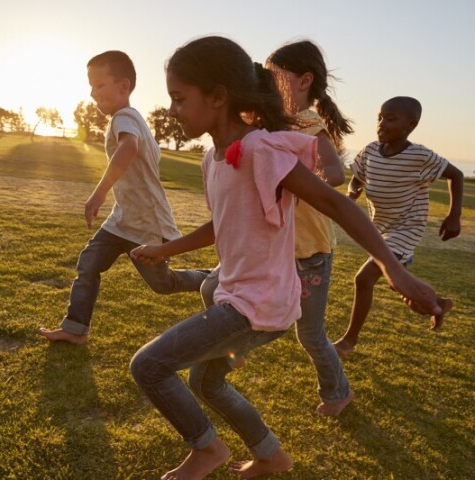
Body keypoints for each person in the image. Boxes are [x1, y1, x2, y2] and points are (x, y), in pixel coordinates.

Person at [128, 36, 445, 479]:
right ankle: (271, 456)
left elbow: (337, 203)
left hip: (259, 303)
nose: (173, 109)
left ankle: (206, 450)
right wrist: (165, 249)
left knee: (148, 365)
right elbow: (221, 225)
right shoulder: (212, 160)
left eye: (180, 98)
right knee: (205, 381)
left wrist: (394, 271)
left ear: (218, 96)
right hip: (237, 295)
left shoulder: (262, 149)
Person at [200, 39, 356, 417]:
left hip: (308, 250)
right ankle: (233, 351)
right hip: (271, 247)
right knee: (212, 287)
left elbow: (334, 173)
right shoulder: (265, 123)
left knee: (310, 334)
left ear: (304, 81)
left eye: (275, 77)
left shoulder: (309, 124)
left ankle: (338, 393)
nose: (267, 84)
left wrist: (295, 180)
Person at [38, 50, 207, 345]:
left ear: (123, 86)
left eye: (99, 85)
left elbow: (128, 148)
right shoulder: (133, 119)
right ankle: (76, 329)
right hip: (122, 220)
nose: (92, 93)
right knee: (89, 261)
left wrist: (98, 193)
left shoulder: (124, 118)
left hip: (146, 225)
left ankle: (213, 280)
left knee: (164, 285)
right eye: (90, 86)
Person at [333, 96, 462, 358]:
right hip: (380, 229)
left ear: (410, 125)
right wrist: (353, 191)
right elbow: (357, 178)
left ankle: (348, 341)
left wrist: (454, 216)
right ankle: (437, 305)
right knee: (397, 284)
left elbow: (457, 175)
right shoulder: (370, 151)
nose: (381, 124)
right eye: (379, 118)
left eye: (390, 119)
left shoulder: (419, 156)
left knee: (363, 278)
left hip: (405, 229)